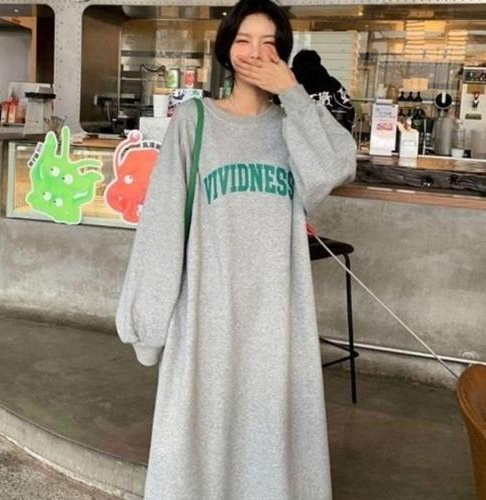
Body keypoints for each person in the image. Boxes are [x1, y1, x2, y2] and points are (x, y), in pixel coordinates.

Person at [115, 1, 356, 498]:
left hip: (278, 319)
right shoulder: (195, 120)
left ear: (282, 53)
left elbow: (335, 167)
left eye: (269, 43)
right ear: (226, 50)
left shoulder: (293, 126)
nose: (255, 52)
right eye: (244, 40)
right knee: (200, 448)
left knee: (271, 447)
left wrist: (292, 91)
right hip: (207, 317)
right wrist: (148, 324)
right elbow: (163, 224)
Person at [291, 49, 355, 132]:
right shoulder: (332, 83)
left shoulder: (295, 86)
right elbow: (349, 108)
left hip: (305, 135)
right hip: (334, 135)